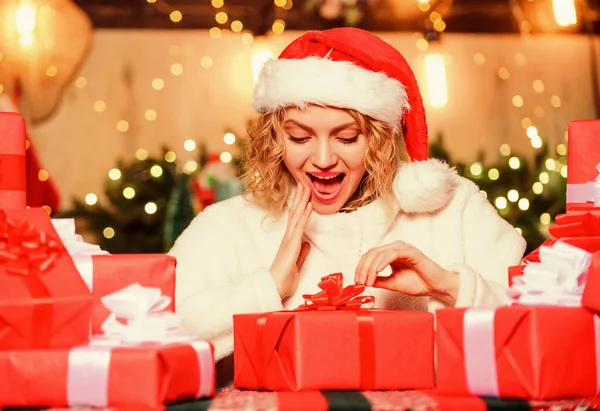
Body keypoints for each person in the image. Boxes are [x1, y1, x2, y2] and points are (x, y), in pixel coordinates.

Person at [169, 27, 526, 362]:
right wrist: (268, 286)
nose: (323, 160)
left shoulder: (455, 209)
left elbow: (541, 327)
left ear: (380, 139)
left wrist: (449, 287)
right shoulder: (227, 226)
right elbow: (154, 334)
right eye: (299, 137)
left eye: (346, 138)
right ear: (275, 139)